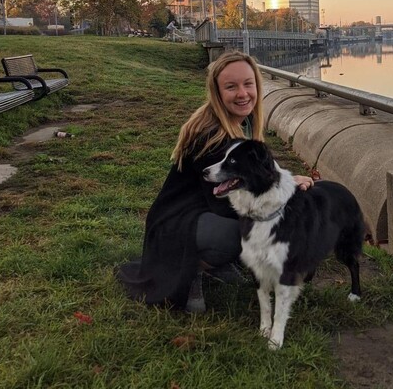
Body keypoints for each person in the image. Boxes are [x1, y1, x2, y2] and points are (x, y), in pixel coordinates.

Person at [116, 51, 314, 313]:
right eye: (231, 87)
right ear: (217, 93)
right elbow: (232, 204)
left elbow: (257, 174)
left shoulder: (241, 122)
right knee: (248, 232)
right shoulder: (211, 135)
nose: (243, 93)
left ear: (257, 84)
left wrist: (288, 181)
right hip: (177, 223)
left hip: (201, 212)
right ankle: (194, 269)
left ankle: (215, 263)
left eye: (248, 83)